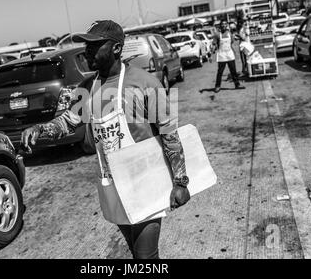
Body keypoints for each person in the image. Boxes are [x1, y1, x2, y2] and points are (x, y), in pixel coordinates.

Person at [21, 20, 190, 259]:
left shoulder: (145, 83)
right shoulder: (87, 87)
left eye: (94, 46)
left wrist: (181, 182)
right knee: (135, 252)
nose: (87, 51)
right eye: (86, 45)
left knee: (145, 257)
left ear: (116, 49)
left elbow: (169, 132)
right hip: (112, 185)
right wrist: (40, 129)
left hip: (146, 182)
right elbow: (68, 121)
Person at [212, 20, 246, 93]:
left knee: (233, 71)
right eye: (222, 24)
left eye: (225, 24)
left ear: (226, 25)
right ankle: (217, 86)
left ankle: (237, 85)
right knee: (220, 72)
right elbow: (214, 44)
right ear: (220, 26)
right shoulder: (217, 34)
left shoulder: (230, 34)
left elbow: (232, 42)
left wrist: (235, 53)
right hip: (222, 55)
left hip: (229, 54)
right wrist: (212, 52)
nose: (224, 26)